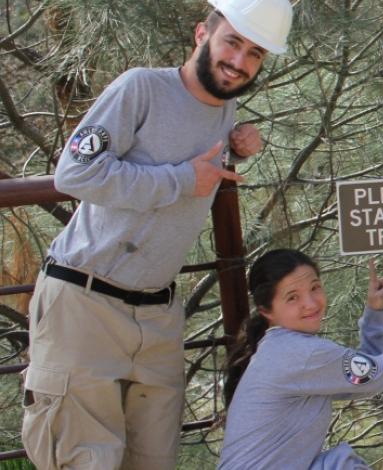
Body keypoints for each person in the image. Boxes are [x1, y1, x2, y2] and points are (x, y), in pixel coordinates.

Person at [22, 1, 292, 468]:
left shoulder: (226, 106)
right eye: (232, 42)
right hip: (84, 303)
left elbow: (191, 150)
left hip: (157, 317)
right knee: (82, 459)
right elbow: (75, 174)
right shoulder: (140, 87)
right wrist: (181, 181)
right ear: (201, 35)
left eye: (254, 54)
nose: (239, 62)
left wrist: (238, 145)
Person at [219, 251, 383, 469]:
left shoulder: (278, 348)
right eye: (292, 297)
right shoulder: (300, 353)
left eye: (315, 288)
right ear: (266, 311)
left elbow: (362, 383)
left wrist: (375, 314)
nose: (311, 303)